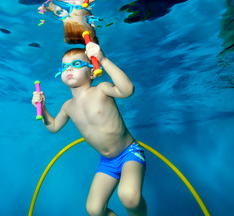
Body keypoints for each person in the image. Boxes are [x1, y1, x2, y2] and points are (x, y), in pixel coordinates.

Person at [31, 42, 147, 216]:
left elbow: (127, 90)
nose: (69, 69)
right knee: (94, 210)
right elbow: (53, 127)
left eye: (76, 64)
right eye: (64, 66)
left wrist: (103, 59)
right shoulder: (67, 106)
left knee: (129, 197)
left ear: (92, 71)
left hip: (129, 152)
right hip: (107, 162)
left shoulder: (101, 90)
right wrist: (42, 107)